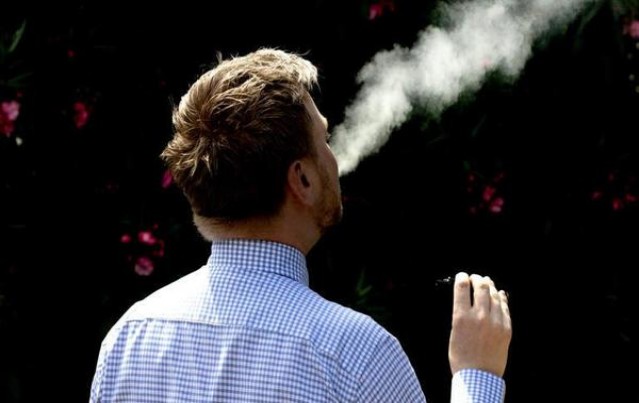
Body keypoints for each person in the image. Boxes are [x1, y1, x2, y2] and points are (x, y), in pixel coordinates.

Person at [89, 48, 512, 402]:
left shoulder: (128, 339)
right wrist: (477, 376)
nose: (334, 157)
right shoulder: (356, 356)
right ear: (302, 180)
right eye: (324, 139)